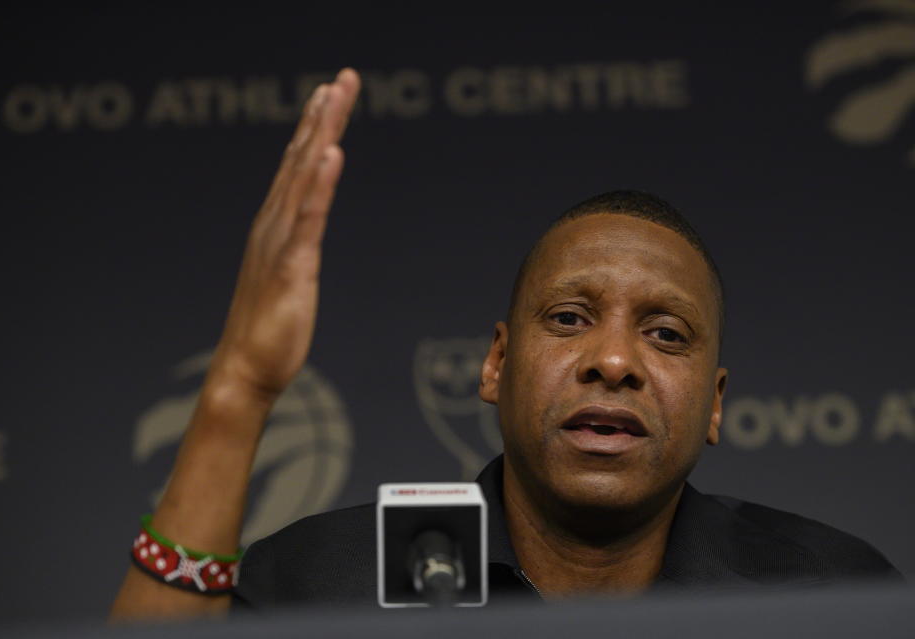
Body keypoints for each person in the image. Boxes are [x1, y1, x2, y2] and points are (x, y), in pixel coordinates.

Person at [109, 68, 900, 621]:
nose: (614, 360)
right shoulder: (317, 583)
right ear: (494, 363)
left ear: (716, 403)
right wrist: (240, 386)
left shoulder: (830, 594)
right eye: (567, 318)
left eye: (665, 334)